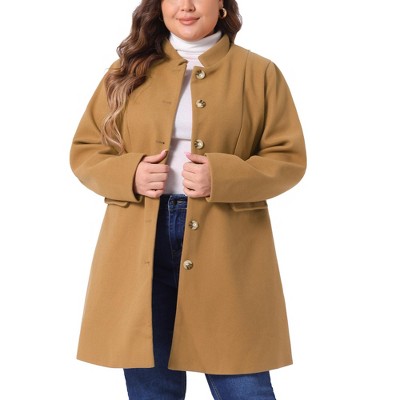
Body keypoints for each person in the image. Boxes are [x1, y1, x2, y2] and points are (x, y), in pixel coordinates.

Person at [70, 0, 306, 398]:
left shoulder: (259, 72)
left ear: (222, 6)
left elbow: (288, 159)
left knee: (243, 383)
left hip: (226, 242)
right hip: (138, 240)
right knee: (152, 385)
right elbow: (86, 152)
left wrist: (223, 176)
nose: (187, 6)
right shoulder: (125, 71)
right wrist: (131, 173)